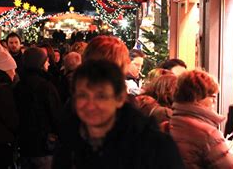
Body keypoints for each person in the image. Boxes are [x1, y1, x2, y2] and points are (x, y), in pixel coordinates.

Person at [53, 60, 184, 169]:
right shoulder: (71, 140)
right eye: (83, 96)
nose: (91, 105)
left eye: (101, 96)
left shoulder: (154, 145)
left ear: (120, 98)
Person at [170, 70, 233, 169]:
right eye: (212, 96)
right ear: (197, 97)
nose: (215, 101)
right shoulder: (207, 134)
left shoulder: (171, 122)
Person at [14, 47, 62, 169]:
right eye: (46, 60)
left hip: (24, 145)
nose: (49, 63)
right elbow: (56, 115)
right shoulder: (46, 87)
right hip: (44, 146)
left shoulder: (19, 86)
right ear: (40, 63)